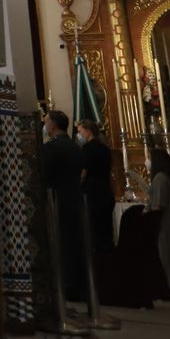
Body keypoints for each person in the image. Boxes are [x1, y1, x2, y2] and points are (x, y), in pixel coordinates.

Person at [40, 110, 86, 302]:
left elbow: (44, 174)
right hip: (75, 199)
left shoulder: (52, 149)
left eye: (46, 122)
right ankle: (77, 285)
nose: (45, 125)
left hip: (57, 200)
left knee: (61, 245)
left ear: (53, 126)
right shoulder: (75, 147)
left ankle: (65, 286)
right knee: (74, 243)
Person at [147, 145, 170, 294]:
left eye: (149, 158)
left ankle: (169, 288)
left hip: (164, 220)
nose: (147, 161)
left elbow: (158, 203)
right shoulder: (165, 176)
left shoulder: (160, 177)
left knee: (165, 256)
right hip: (169, 218)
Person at [77, 119, 115, 252]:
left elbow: (84, 173)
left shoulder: (87, 149)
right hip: (105, 191)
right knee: (106, 229)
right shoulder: (104, 148)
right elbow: (108, 172)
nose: (79, 135)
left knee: (94, 230)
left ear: (88, 131)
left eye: (80, 131)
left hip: (92, 193)